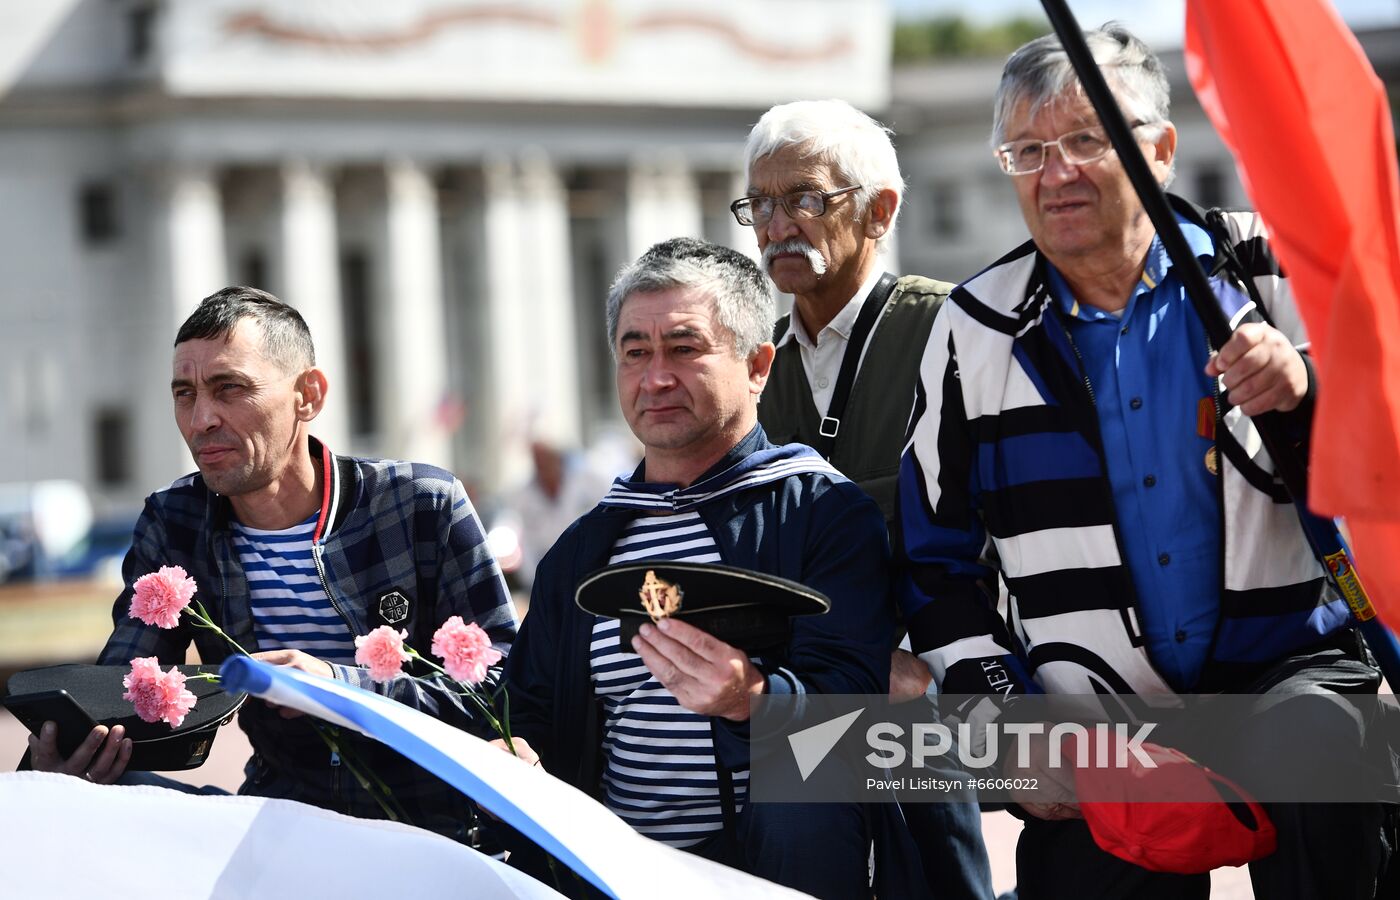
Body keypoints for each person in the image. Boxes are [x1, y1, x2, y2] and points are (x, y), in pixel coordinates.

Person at [898, 24, 1392, 899]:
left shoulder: (1268, 269)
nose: (1056, 173)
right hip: (1096, 717)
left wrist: (1308, 387)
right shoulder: (971, 331)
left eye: (1089, 140)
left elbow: (1386, 444)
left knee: (1329, 755)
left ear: (1161, 151)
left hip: (1290, 668)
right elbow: (935, 563)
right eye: (1027, 151)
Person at [28, 286, 517, 843]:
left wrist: (340, 688)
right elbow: (124, 690)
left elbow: (506, 691)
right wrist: (63, 759)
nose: (200, 419)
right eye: (184, 394)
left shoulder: (421, 504)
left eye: (228, 388)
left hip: (439, 827)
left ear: (307, 395)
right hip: (281, 817)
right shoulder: (174, 521)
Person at [500, 238, 895, 898]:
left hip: (780, 873)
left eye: (684, 349)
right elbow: (533, 709)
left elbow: (872, 726)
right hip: (617, 872)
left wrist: (756, 700)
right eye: (635, 353)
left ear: (758, 365)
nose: (655, 378)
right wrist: (513, 747)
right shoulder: (580, 552)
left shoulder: (824, 512)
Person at [737, 99, 993, 898]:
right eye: (761, 204)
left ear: (881, 210)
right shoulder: (756, 367)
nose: (779, 226)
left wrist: (943, 673)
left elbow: (1013, 534)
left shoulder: (958, 329)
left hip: (924, 709)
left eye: (806, 199)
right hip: (796, 709)